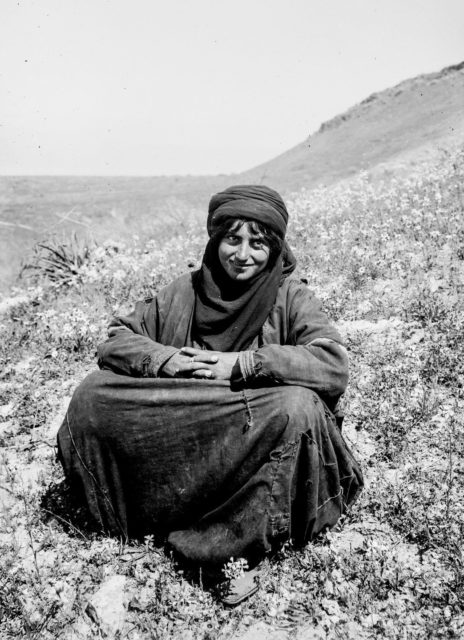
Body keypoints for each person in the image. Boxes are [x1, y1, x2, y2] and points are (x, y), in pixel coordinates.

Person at [57, 185, 363, 603]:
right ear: (214, 240)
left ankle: (227, 551)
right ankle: (143, 511)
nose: (243, 254)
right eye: (231, 239)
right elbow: (117, 340)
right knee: (93, 393)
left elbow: (332, 363)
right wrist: (167, 360)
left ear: (275, 248)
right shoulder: (185, 291)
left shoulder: (291, 296)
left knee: (295, 407)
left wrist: (242, 365)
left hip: (250, 440)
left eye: (258, 243)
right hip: (186, 440)